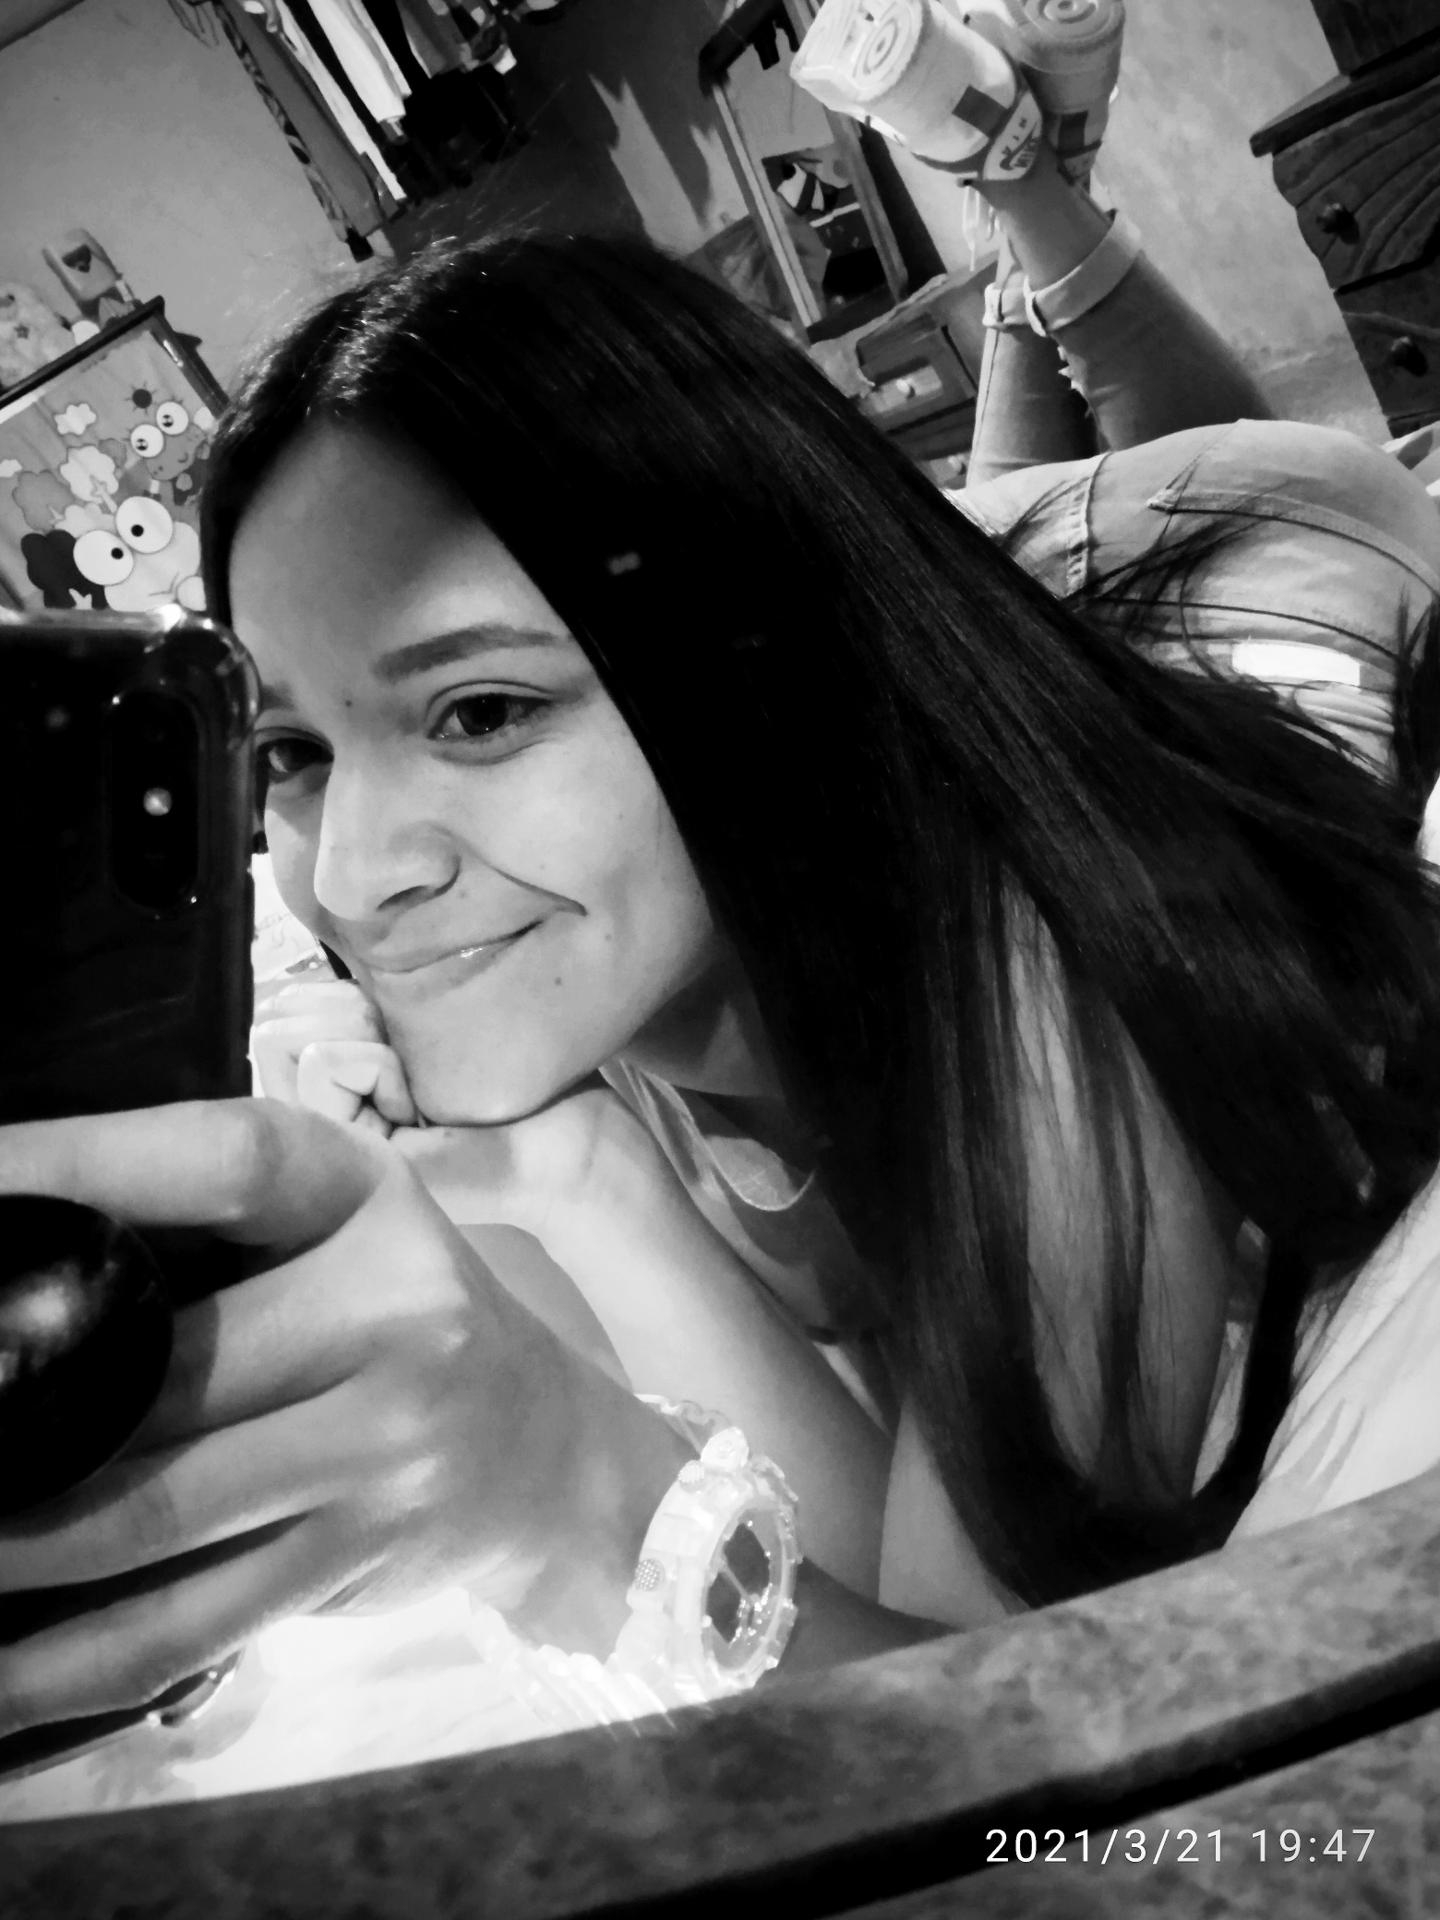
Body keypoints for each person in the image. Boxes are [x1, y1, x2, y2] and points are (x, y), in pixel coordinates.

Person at [4, 22, 1440, 1740]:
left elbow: (996, 1769)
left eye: (480, 711)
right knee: (986, 514)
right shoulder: (601, 1000)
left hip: (1276, 592)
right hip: (965, 590)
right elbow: (865, 1565)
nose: (360, 879)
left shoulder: (1044, 989)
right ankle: (1019, 211)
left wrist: (562, 1488)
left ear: (761, 681)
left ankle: (1028, 196)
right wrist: (586, 1181)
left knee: (1106, 519)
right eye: (293, 749)